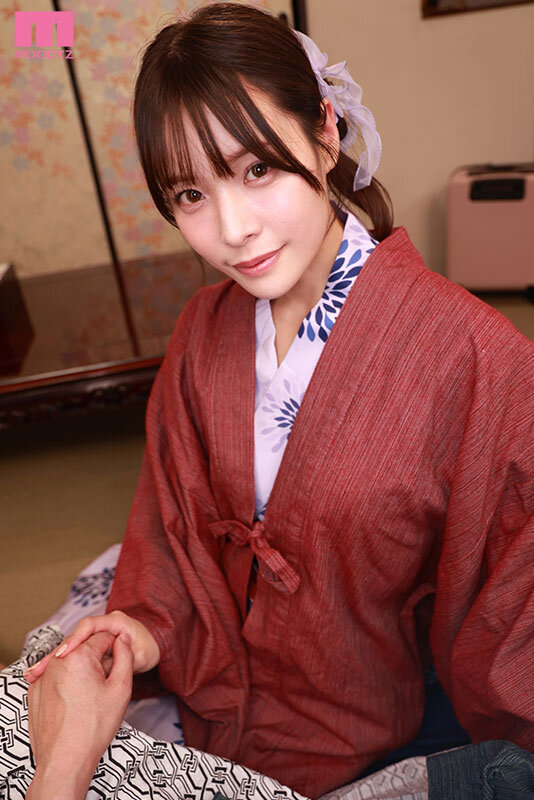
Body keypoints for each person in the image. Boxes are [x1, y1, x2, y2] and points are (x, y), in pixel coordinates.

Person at [23, 2, 534, 799]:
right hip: (211, 691)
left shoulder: (479, 359)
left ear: (325, 133)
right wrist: (147, 633)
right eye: (190, 194)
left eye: (256, 170)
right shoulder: (203, 329)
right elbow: (169, 530)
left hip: (358, 722)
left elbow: (508, 608)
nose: (232, 229)